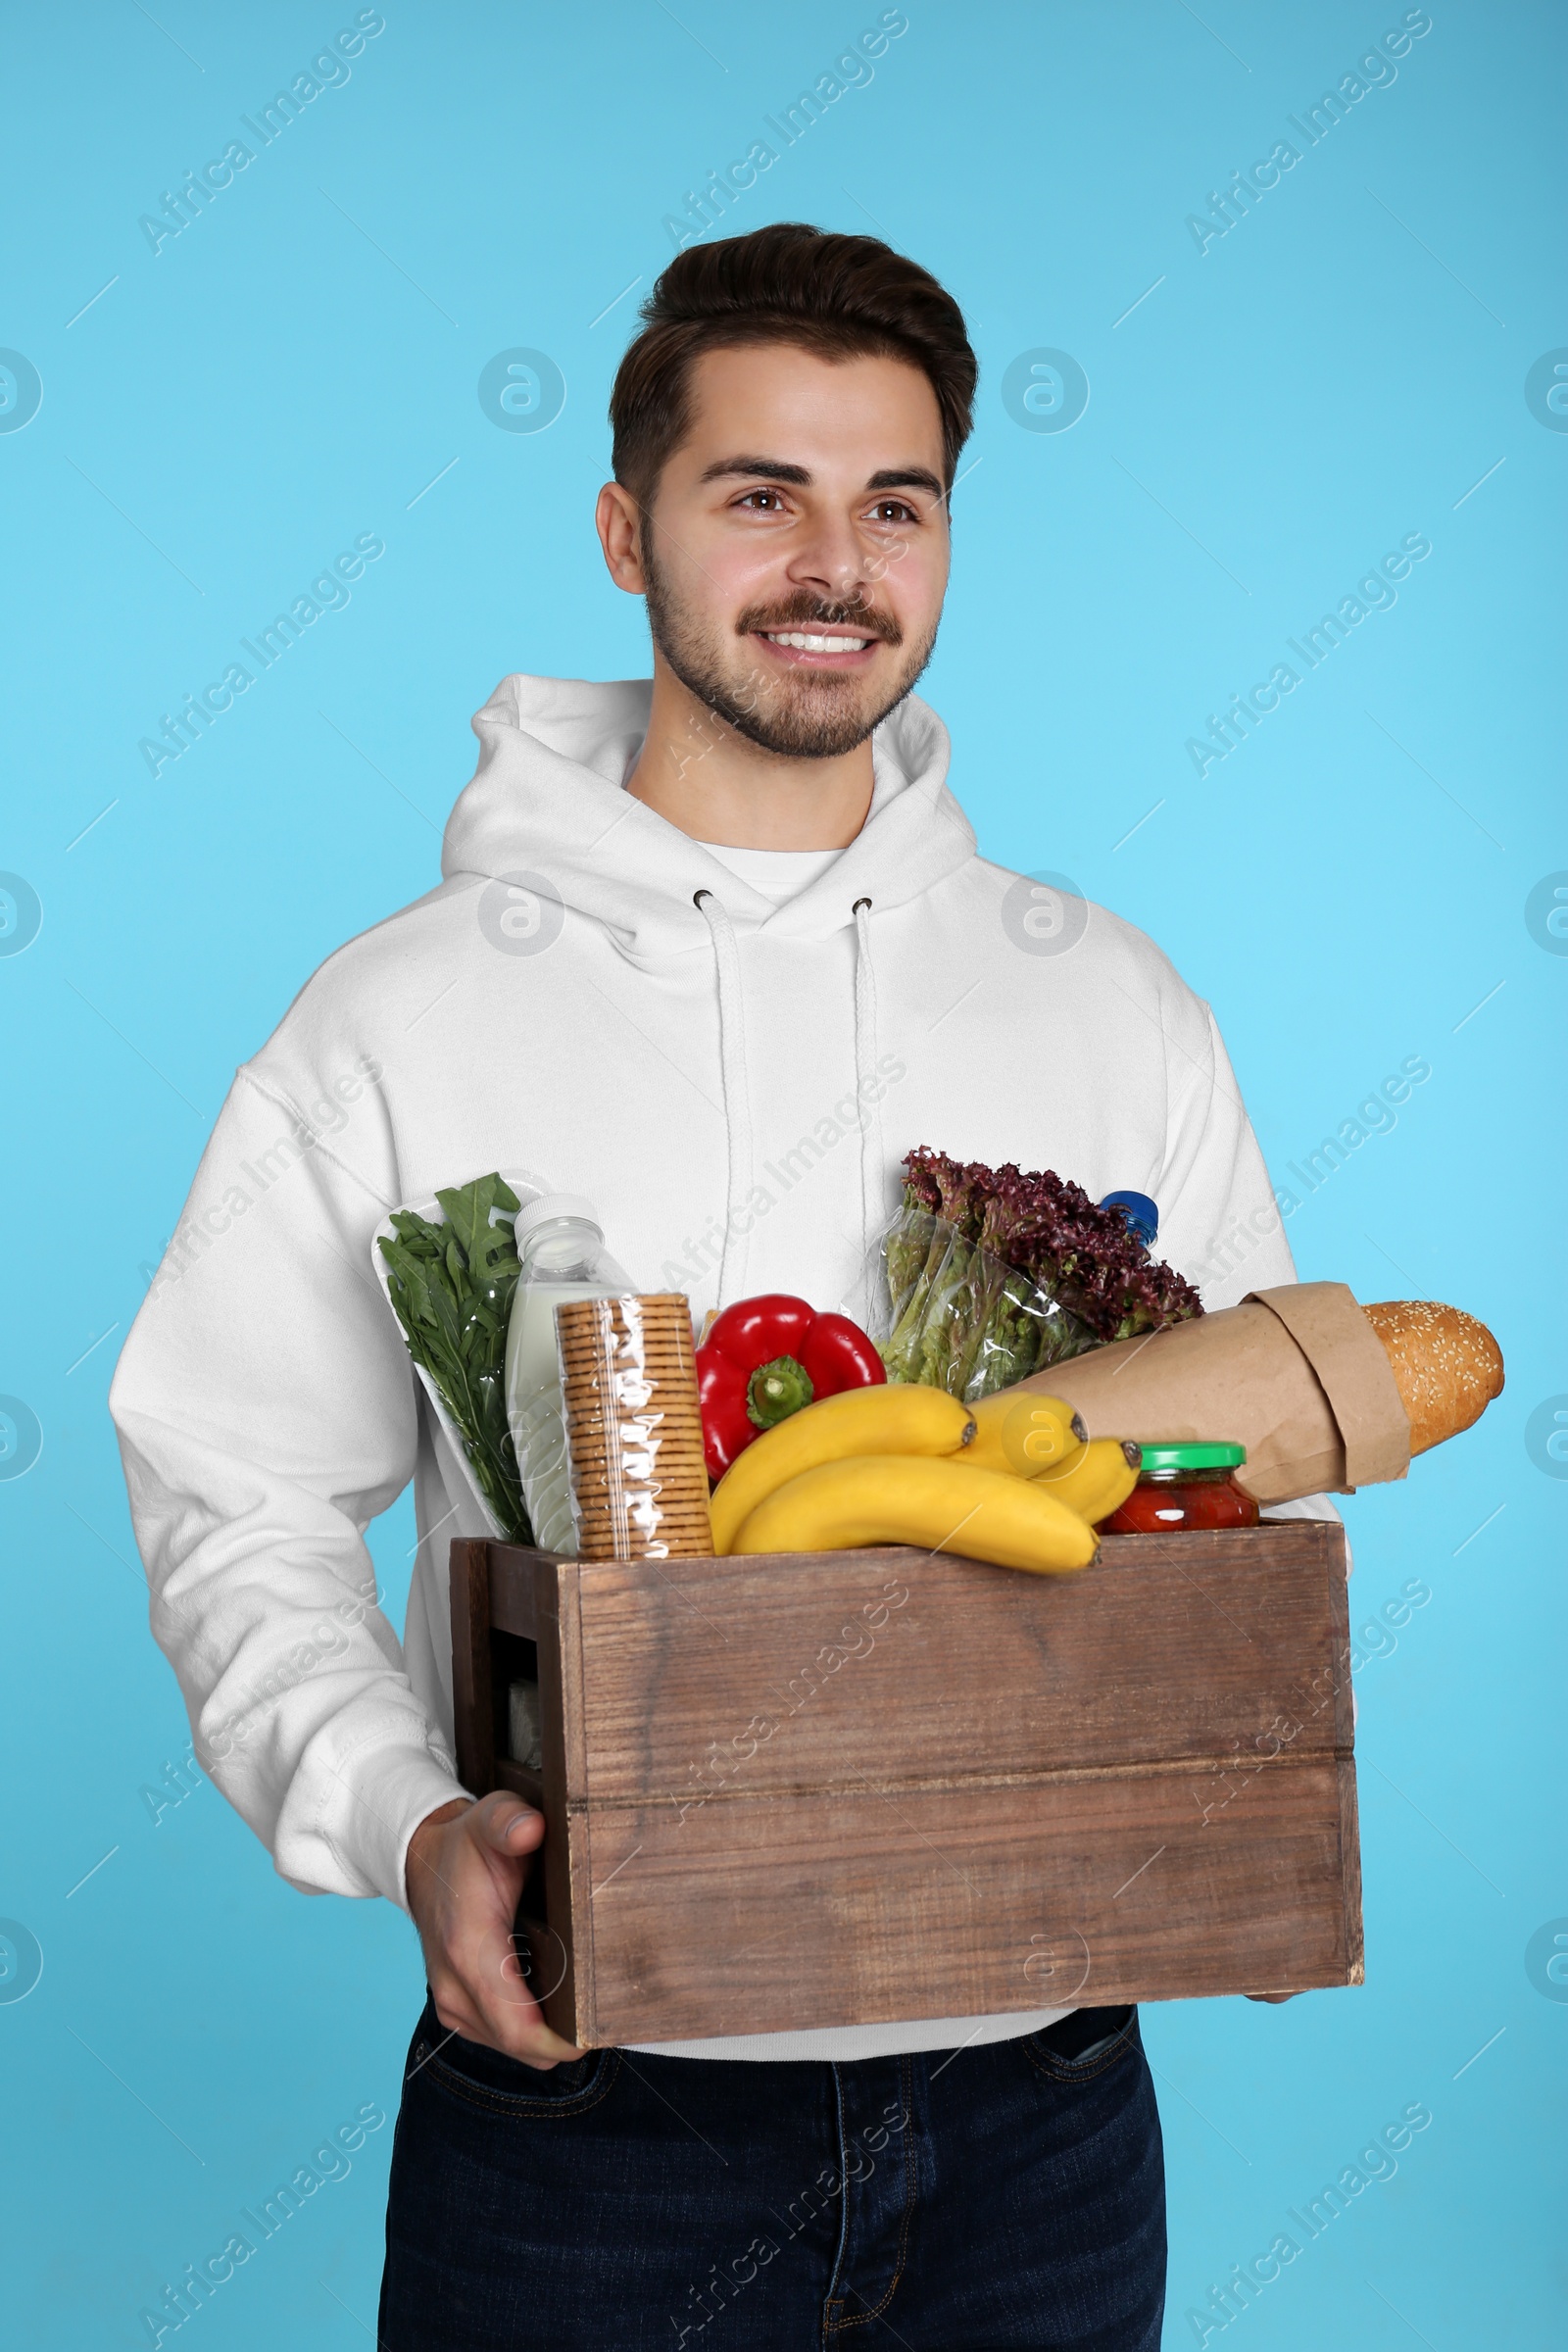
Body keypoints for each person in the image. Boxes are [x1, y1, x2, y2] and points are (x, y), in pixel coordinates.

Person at [112, 223, 1313, 2348]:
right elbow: (231, 1484)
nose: (830, 563)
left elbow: (1246, 1491)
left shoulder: (1114, 1004)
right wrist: (399, 1826)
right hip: (588, 2120)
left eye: (894, 501)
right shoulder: (396, 1016)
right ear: (621, 528)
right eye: (757, 494)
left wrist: (1214, 1786)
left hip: (1038, 2107)